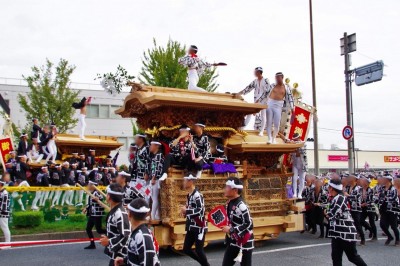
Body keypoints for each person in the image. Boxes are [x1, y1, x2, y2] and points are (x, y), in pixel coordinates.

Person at [325, 179, 367, 266]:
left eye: (329, 187)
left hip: (346, 232)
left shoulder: (340, 198)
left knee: (352, 257)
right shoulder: (335, 198)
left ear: (332, 188)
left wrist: (326, 212)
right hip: (336, 233)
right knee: (336, 257)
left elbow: (332, 214)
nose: (327, 188)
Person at [114, 198, 160, 266]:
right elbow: (139, 255)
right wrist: (125, 260)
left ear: (129, 215)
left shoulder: (142, 236)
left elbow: (148, 262)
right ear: (147, 214)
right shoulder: (138, 233)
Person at [222, 177, 254, 266]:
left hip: (245, 241)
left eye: (227, 187)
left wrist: (231, 230)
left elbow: (249, 224)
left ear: (235, 190)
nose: (225, 189)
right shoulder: (229, 203)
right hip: (233, 241)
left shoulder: (241, 206)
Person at [180, 174, 209, 266]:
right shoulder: (189, 195)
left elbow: (201, 210)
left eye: (185, 180)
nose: (183, 182)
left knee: (199, 250)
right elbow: (192, 208)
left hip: (199, 225)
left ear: (190, 181)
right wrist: (185, 212)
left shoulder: (197, 195)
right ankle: (204, 264)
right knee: (186, 249)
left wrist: (187, 210)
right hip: (191, 226)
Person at [100, 183, 131, 266]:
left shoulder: (119, 213)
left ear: (109, 197)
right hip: (116, 254)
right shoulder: (115, 210)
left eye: (107, 194)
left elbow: (126, 235)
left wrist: (109, 241)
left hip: (122, 256)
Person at [237, 67, 270, 135]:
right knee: (250, 112)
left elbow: (267, 92)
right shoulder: (255, 81)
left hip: (264, 100)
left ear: (259, 72)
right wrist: (239, 93)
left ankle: (261, 131)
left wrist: (260, 100)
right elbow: (248, 88)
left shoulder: (266, 80)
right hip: (256, 100)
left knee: (263, 115)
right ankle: (242, 128)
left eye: (255, 72)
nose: (254, 73)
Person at [265, 72, 294, 144]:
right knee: (269, 122)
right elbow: (265, 94)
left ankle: (274, 138)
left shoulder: (287, 87)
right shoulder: (272, 85)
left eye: (278, 77)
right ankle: (269, 138)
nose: (277, 79)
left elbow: (290, 98)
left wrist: (292, 108)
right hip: (270, 104)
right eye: (276, 78)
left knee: (277, 124)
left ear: (282, 78)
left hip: (278, 106)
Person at [376, 174, 399, 246]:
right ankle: (390, 236)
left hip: (392, 209)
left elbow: (394, 199)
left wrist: (385, 198)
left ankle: (398, 240)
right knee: (382, 224)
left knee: (393, 226)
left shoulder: (393, 189)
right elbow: (378, 197)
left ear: (388, 181)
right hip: (383, 209)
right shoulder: (381, 188)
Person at [83, 180, 106, 249]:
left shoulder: (97, 192)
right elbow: (90, 204)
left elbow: (102, 201)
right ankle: (92, 243)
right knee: (88, 229)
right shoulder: (91, 193)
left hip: (97, 214)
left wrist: (98, 199)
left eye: (89, 185)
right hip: (92, 214)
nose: (88, 186)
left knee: (99, 230)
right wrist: (86, 208)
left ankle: (111, 233)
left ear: (93, 186)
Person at [344, 175, 366, 245]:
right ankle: (350, 237)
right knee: (348, 223)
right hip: (348, 207)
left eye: (351, 178)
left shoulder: (358, 188)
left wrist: (348, 196)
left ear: (355, 180)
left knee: (357, 224)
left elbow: (357, 197)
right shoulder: (347, 187)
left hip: (356, 208)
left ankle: (362, 238)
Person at [149, 141, 164, 221]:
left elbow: (158, 168)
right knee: (154, 198)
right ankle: (157, 216)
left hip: (156, 179)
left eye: (151, 145)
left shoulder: (159, 155)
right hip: (154, 178)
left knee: (154, 198)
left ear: (156, 146)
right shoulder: (156, 155)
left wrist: (154, 178)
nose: (150, 147)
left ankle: (153, 216)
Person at [360, 177, 377, 241]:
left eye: (363, 181)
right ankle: (370, 229)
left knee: (372, 221)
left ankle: (375, 236)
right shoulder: (360, 189)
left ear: (367, 183)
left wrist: (365, 204)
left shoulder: (370, 189)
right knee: (361, 220)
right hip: (363, 207)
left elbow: (371, 200)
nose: (362, 182)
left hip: (370, 207)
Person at [290, 133, 307, 198]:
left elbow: (299, 153)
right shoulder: (292, 144)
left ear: (299, 137)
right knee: (294, 179)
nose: (295, 140)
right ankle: (295, 193)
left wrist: (295, 145)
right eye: (294, 139)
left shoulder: (303, 143)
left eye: (296, 139)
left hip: (303, 164)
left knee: (302, 179)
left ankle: (300, 193)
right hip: (295, 164)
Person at [0, 180, 11, 245]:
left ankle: (8, 243)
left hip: (3, 213)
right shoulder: (1, 192)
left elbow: (4, 205)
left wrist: (1, 211)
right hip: (1, 212)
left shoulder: (4, 193)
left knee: (4, 227)